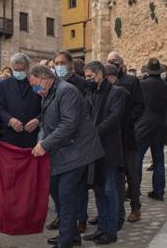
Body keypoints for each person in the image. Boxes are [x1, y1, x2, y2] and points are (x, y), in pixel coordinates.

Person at [29, 65, 104, 248]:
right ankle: (71, 235)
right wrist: (40, 142)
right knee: (59, 194)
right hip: (61, 152)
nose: (35, 89)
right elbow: (45, 125)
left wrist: (44, 145)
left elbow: (69, 125)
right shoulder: (47, 94)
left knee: (65, 196)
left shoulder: (66, 91)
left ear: (45, 79)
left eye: (35, 85)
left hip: (77, 152)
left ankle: (65, 242)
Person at [82, 62, 125, 245]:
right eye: (86, 77)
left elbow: (114, 119)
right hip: (94, 151)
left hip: (110, 150)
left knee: (110, 191)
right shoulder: (90, 93)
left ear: (100, 74)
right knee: (99, 191)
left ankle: (111, 231)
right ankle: (102, 228)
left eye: (90, 76)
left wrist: (93, 132)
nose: (88, 80)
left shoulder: (118, 93)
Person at [50, 51, 87, 233]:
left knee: (77, 187)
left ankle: (81, 219)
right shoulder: (53, 84)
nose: (59, 66)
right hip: (59, 144)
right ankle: (66, 224)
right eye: (56, 63)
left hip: (76, 143)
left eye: (62, 63)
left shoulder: (81, 84)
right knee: (61, 189)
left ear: (70, 64)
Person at [106, 52, 144, 225]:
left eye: (114, 62)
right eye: (108, 62)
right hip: (111, 137)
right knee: (116, 176)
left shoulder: (131, 81)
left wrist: (128, 120)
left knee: (132, 174)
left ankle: (135, 207)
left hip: (127, 136)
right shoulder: (104, 81)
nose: (111, 64)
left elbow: (140, 105)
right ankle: (117, 212)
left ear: (121, 64)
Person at [135, 58, 167, 202]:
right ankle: (159, 191)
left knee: (137, 159)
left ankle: (134, 190)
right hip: (160, 125)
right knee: (159, 160)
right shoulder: (166, 86)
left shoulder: (142, 84)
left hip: (144, 124)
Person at [0, 53, 41, 148]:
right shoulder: (4, 84)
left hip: (33, 136)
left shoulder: (36, 84)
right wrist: (10, 119)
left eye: (21, 70)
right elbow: (0, 107)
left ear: (28, 68)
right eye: (15, 70)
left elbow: (45, 104)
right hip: (11, 136)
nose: (18, 72)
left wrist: (38, 119)